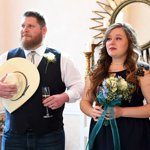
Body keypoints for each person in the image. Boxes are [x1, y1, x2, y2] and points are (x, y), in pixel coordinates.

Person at [0, 11, 83, 150]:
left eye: (30, 26)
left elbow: (79, 85)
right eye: (22, 26)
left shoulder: (62, 58)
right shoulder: (6, 57)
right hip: (13, 137)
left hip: (50, 137)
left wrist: (65, 96)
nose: (24, 30)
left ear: (44, 30)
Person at [80, 22, 150, 150]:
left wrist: (122, 112)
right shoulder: (96, 71)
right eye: (108, 39)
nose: (111, 42)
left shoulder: (141, 70)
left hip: (133, 134)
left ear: (130, 43)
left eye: (118, 38)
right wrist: (91, 111)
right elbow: (84, 101)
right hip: (102, 132)